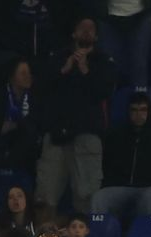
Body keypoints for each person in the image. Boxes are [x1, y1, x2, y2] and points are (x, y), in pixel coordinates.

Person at [37, 15, 116, 213]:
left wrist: (85, 70)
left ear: (97, 36)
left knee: (87, 196)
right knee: (46, 196)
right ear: (74, 33)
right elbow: (42, 87)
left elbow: (105, 91)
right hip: (56, 135)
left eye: (91, 28)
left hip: (87, 134)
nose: (86, 31)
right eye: (82, 28)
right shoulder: (58, 57)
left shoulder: (104, 60)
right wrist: (64, 69)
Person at [92, 92, 151, 218]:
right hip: (121, 187)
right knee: (100, 197)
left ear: (149, 111)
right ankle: (99, 236)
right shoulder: (116, 135)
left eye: (143, 110)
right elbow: (107, 165)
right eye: (134, 110)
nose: (138, 115)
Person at [0, 57, 42, 172]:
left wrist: (16, 125)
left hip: (26, 148)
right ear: (12, 77)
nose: (28, 77)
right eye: (23, 73)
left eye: (29, 73)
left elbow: (36, 123)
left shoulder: (35, 96)